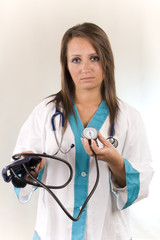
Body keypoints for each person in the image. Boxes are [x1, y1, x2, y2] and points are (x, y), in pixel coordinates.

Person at [13, 22, 153, 240]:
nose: (85, 68)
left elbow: (141, 182)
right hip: (54, 233)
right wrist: (30, 170)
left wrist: (116, 163)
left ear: (107, 61)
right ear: (66, 65)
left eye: (94, 58)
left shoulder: (129, 117)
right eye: (76, 59)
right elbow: (19, 174)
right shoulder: (45, 113)